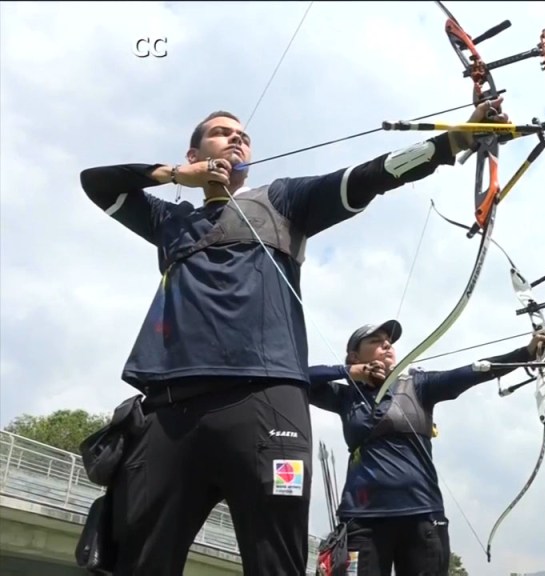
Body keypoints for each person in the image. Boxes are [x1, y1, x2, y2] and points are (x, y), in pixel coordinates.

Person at [78, 99, 509, 576]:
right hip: (169, 408)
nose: (237, 138)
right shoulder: (168, 221)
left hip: (265, 403)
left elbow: (369, 176)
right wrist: (178, 176)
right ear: (194, 152)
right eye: (222, 132)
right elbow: (95, 182)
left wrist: (452, 142)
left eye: (244, 136)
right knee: (138, 563)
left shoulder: (282, 201)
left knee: (275, 564)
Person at [308, 319, 545, 576]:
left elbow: (472, 372)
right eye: (375, 341)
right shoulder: (346, 397)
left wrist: (525, 353)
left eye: (389, 342)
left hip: (422, 515)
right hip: (362, 518)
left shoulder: (418, 385)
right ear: (354, 355)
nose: (387, 345)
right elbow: (301, 379)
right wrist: (350, 372)